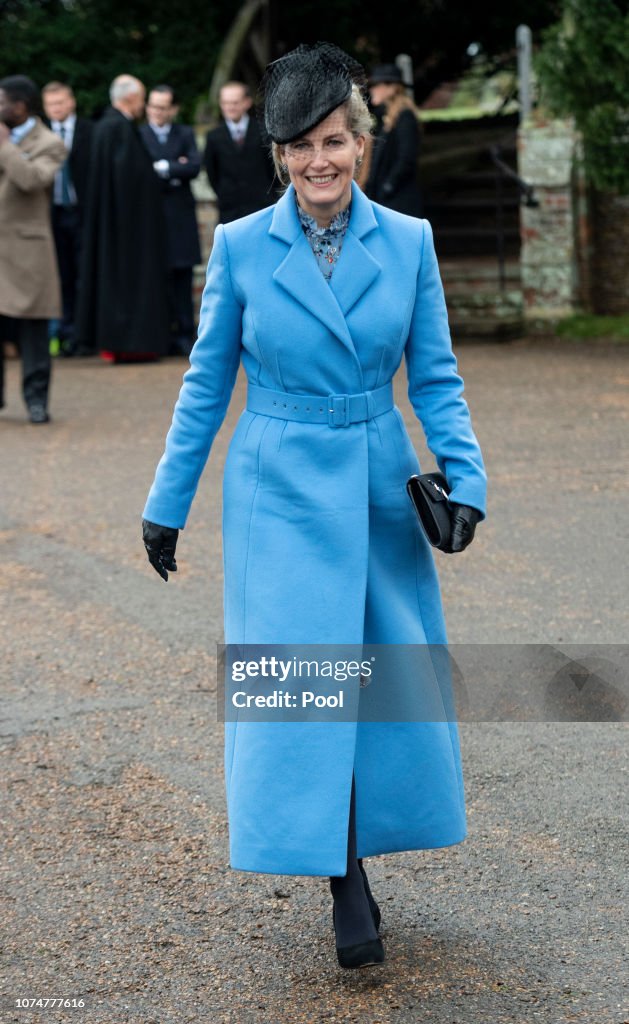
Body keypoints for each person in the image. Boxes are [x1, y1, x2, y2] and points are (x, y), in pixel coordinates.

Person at [142, 43, 486, 970]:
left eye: (334, 141)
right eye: (300, 147)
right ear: (280, 154)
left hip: (380, 485)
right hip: (277, 491)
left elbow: (439, 379)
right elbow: (206, 384)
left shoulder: (407, 243)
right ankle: (346, 881)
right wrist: (165, 503)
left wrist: (467, 479)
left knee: (378, 691)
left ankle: (360, 857)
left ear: (360, 144)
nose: (318, 161)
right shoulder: (242, 247)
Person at [74, 75, 169, 362]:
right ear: (130, 98)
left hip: (113, 223)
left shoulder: (106, 127)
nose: (143, 104)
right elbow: (132, 180)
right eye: (141, 97)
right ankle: (130, 343)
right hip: (127, 227)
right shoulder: (118, 128)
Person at [0, 75, 66, 423]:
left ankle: (36, 400)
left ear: (20, 106)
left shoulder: (50, 143)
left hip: (27, 252)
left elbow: (32, 181)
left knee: (35, 332)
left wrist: (5, 146)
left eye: (1, 102)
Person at [140, 85, 202, 357]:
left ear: (173, 109)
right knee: (157, 278)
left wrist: (163, 167)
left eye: (162, 107)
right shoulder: (139, 135)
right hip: (151, 217)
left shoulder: (185, 133)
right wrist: (176, 167)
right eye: (153, 106)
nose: (157, 112)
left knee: (183, 277)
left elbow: (194, 166)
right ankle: (162, 335)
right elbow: (141, 171)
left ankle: (186, 335)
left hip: (180, 217)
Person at [42, 81, 94, 357]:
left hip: (81, 212)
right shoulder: (39, 134)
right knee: (59, 275)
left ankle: (82, 335)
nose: (56, 109)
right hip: (51, 214)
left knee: (83, 273)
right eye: (51, 104)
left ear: (71, 102)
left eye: (60, 103)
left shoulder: (89, 131)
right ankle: (60, 333)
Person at [203, 80, 277, 223]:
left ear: (247, 102)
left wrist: (269, 195)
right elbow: (212, 172)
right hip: (229, 209)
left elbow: (273, 168)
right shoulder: (213, 136)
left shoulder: (265, 131)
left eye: (235, 102)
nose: (230, 107)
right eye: (225, 103)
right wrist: (225, 194)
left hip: (261, 206)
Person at [365, 63, 423, 217]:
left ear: (392, 88)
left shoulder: (404, 117)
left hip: (398, 200)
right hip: (384, 198)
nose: (372, 89)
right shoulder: (385, 117)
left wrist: (388, 186)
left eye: (376, 85)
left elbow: (407, 158)